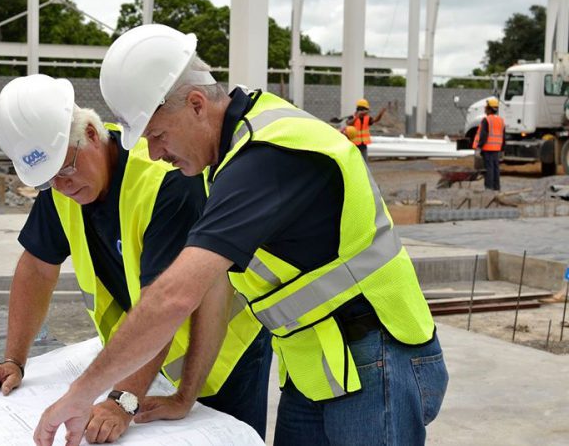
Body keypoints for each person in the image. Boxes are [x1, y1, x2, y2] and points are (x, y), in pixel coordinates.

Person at [35, 24, 449, 446]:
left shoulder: (267, 159)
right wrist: (185, 395)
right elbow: (214, 284)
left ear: (196, 104)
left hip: (378, 357)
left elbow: (174, 296)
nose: (155, 153)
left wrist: (80, 394)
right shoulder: (228, 160)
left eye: (158, 135)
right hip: (319, 366)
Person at [0, 74, 271, 443]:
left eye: (65, 169)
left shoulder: (166, 181)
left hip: (221, 358)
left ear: (92, 134)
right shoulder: (62, 179)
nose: (61, 186)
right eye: (47, 180)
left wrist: (124, 400)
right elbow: (37, 266)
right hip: (145, 360)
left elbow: (167, 303)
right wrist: (14, 359)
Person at [473, 97, 505, 191]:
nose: (484, 109)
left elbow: (483, 135)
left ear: (489, 108)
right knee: (496, 168)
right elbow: (503, 136)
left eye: (486, 107)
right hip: (496, 149)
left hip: (488, 148)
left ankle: (489, 188)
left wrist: (479, 147)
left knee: (489, 169)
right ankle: (496, 187)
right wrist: (502, 149)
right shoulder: (500, 120)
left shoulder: (486, 120)